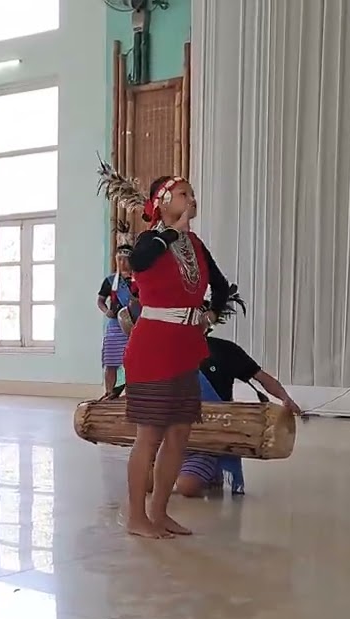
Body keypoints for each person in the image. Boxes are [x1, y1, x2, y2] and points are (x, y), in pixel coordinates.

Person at [102, 170, 234, 539]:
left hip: (185, 346)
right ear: (161, 203)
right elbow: (140, 262)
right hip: (153, 347)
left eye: (192, 193)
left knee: (179, 434)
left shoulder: (196, 245)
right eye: (183, 194)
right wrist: (174, 230)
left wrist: (210, 314)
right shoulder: (151, 239)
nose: (191, 199)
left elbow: (221, 286)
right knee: (150, 435)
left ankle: (159, 513)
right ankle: (136, 516)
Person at [174, 317, 302, 498]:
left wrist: (285, 398)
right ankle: (180, 471)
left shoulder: (224, 350)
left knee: (187, 487)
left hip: (209, 439)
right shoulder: (165, 349)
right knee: (146, 481)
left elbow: (261, 377)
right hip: (169, 434)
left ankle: (207, 470)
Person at [99, 237, 137, 398]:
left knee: (133, 362)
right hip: (115, 325)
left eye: (125, 259)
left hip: (134, 326)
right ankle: (109, 393)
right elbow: (100, 300)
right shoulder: (110, 281)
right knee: (110, 361)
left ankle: (131, 394)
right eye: (119, 259)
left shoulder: (139, 280)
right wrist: (106, 310)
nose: (122, 263)